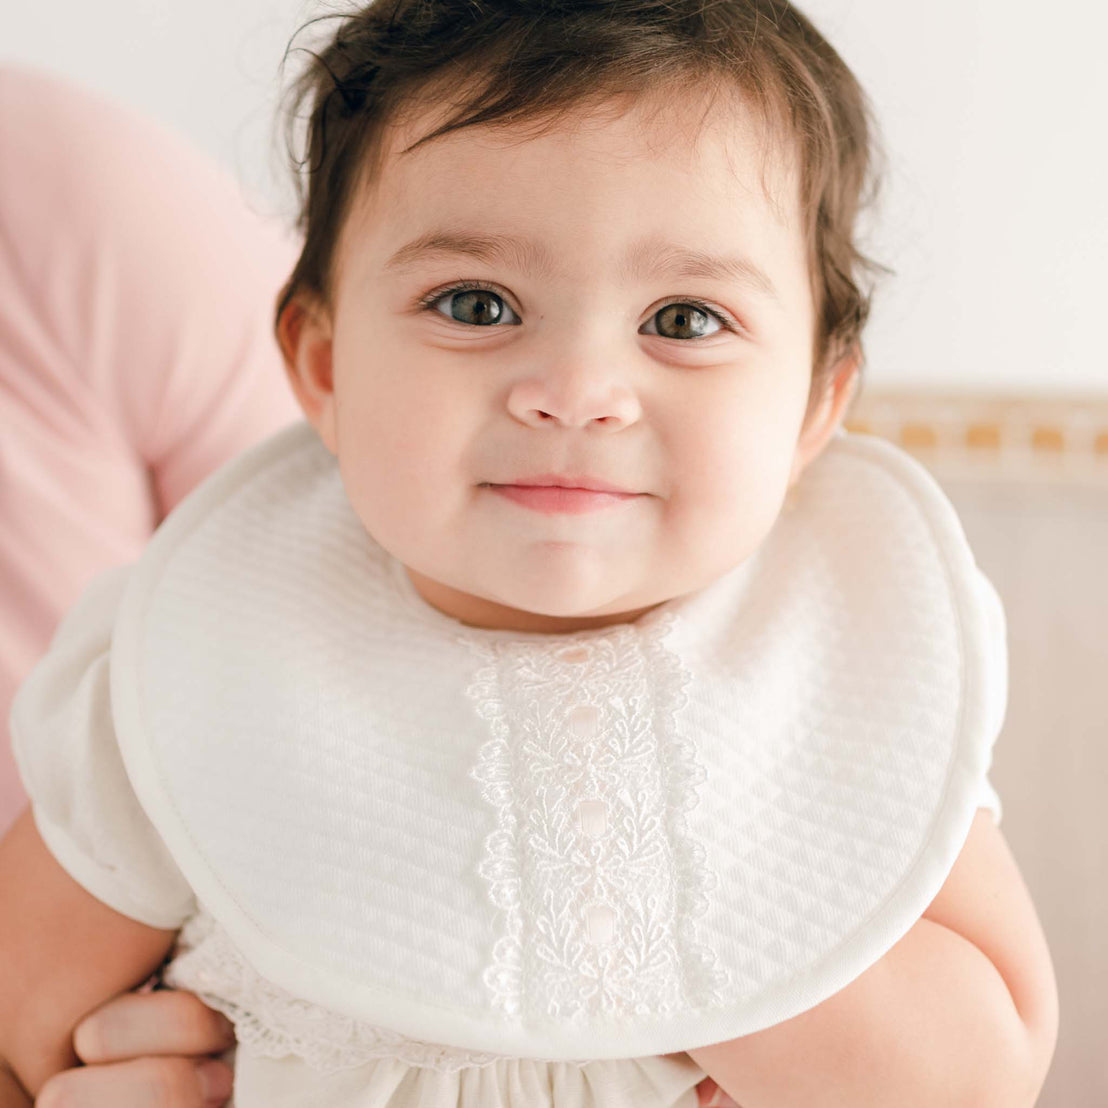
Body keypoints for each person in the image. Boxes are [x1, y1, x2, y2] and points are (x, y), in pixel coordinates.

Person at [0, 1, 1059, 1106]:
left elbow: (979, 1072)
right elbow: (28, 1020)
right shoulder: (211, 645)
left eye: (685, 319)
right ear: (321, 366)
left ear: (813, 405)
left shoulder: (836, 652)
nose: (576, 392)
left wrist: (629, 877)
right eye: (476, 303)